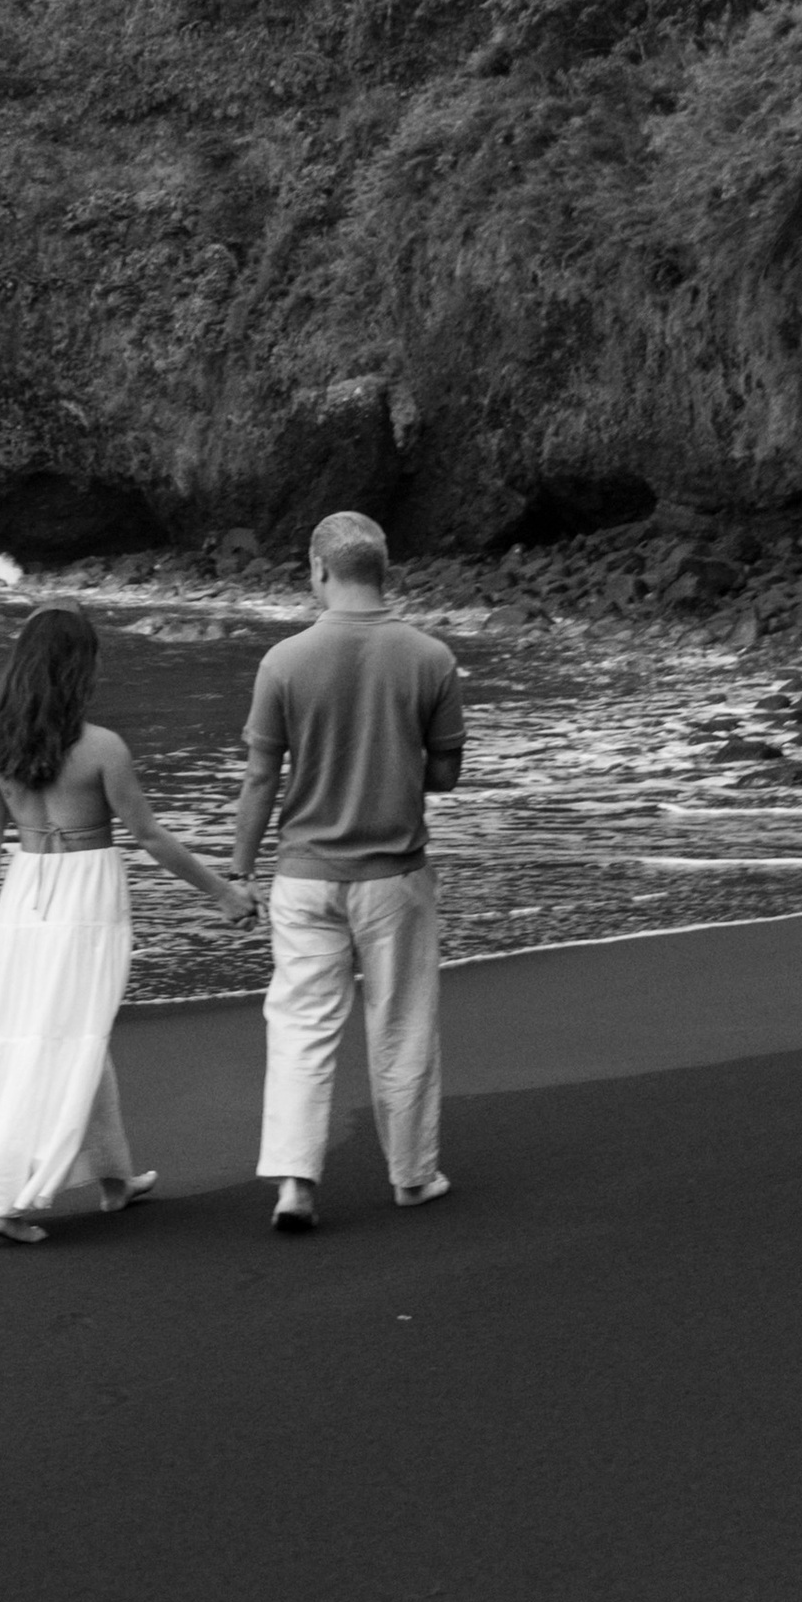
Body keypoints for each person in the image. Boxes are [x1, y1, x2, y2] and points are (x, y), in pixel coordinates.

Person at [0, 602, 252, 1244]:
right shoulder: (101, 749)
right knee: (68, 1041)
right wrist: (221, 892)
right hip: (84, 899)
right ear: (76, 670)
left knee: (63, 1036)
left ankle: (114, 1178)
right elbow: (148, 836)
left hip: (21, 902)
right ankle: (8, 1199)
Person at [225, 510, 465, 1231]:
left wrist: (240, 872)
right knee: (402, 1022)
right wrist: (392, 762)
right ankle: (412, 1175)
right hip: (393, 872)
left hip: (304, 873)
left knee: (300, 1026)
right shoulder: (431, 658)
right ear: (382, 570)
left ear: (320, 570)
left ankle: (295, 1182)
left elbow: (260, 780)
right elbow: (447, 773)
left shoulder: (284, 661)